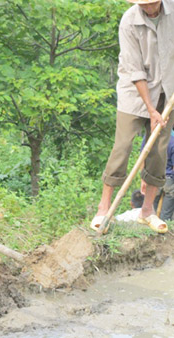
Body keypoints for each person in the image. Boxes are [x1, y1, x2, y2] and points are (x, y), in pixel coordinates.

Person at [90, 0, 174, 234]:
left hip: (167, 92)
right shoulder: (129, 20)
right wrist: (150, 108)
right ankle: (103, 208)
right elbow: (135, 70)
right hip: (134, 93)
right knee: (123, 145)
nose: (148, 8)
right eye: (143, 4)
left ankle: (147, 211)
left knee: (159, 150)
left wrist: (159, 107)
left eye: (152, 3)